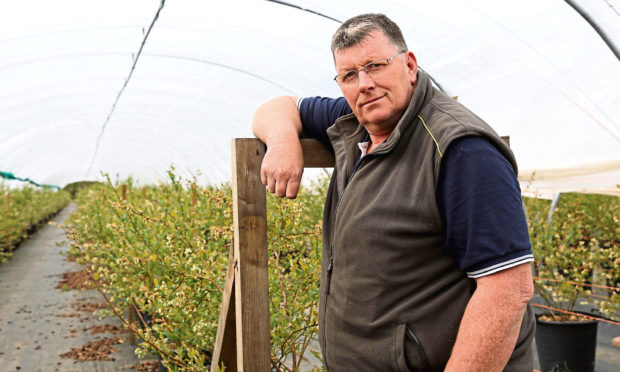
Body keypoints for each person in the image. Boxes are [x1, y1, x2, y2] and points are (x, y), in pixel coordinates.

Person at [252, 13, 535, 371]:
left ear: (410, 65)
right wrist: (281, 143)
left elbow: (508, 290)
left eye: (376, 65)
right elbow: (277, 107)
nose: (364, 83)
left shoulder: (462, 150)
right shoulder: (358, 120)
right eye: (349, 75)